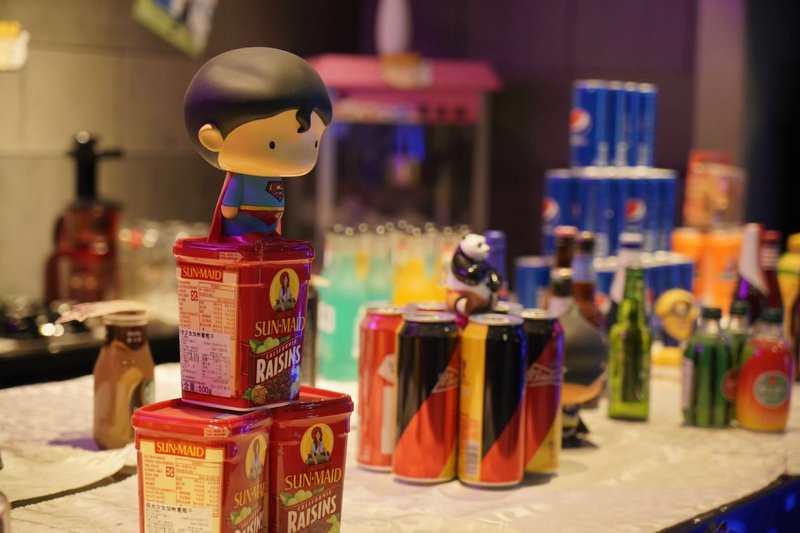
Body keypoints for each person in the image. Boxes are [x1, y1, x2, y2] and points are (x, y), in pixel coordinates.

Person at [183, 47, 333, 241]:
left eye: (314, 143)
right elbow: (229, 209)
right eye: (272, 144)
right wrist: (232, 209)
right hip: (244, 225)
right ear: (212, 139)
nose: (296, 153)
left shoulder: (274, 176)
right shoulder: (241, 179)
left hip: (270, 223)